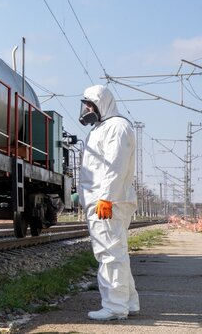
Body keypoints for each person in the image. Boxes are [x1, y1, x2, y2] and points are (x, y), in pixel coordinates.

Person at [77, 84, 139, 321]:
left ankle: (114, 307)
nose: (85, 109)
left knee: (110, 254)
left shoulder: (117, 127)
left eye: (89, 104)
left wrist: (106, 197)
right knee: (117, 252)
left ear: (101, 103)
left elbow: (115, 165)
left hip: (108, 204)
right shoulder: (102, 128)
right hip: (103, 201)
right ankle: (129, 302)